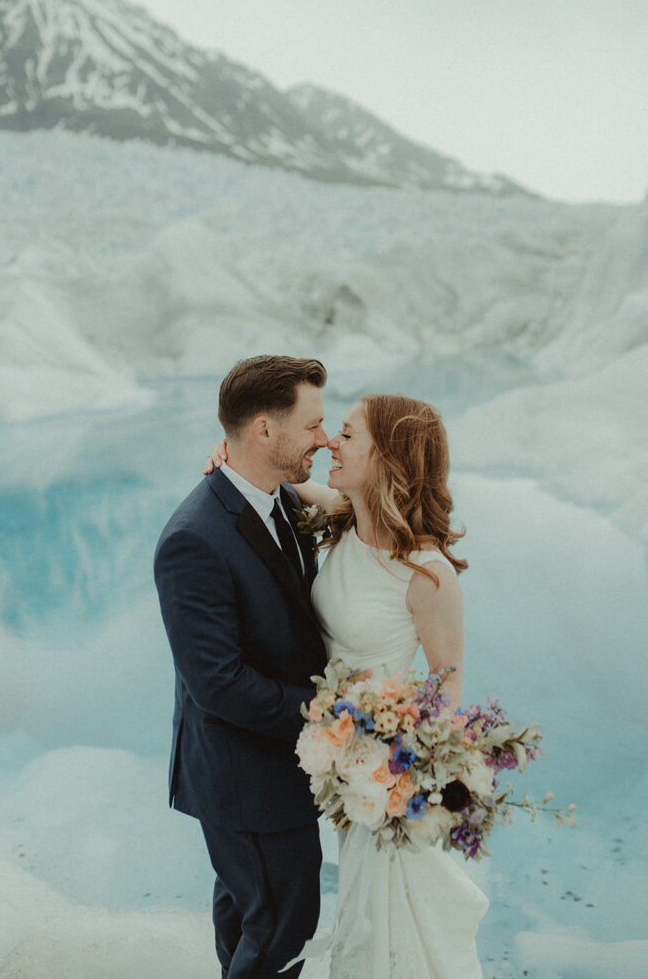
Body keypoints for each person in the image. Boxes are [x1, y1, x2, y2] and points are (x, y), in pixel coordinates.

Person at [208, 393, 488, 979]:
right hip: (328, 756)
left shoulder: (427, 573)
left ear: (387, 458)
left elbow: (448, 686)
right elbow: (269, 488)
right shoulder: (344, 515)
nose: (332, 442)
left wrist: (400, 773)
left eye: (347, 435)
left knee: (378, 917)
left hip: (377, 772)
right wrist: (230, 459)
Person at [154, 355, 329, 979]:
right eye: (313, 426)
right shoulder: (193, 539)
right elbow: (217, 683)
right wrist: (330, 716)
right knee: (282, 930)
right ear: (263, 431)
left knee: (248, 923)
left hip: (270, 769)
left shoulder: (279, 500)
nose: (325, 438)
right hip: (245, 778)